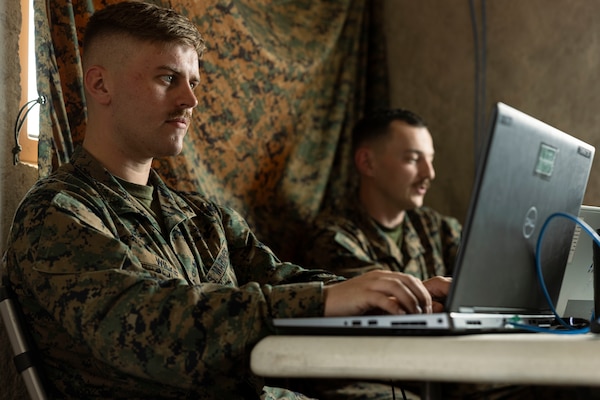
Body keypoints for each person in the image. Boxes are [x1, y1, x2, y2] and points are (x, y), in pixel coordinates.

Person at [0, 2, 450, 399]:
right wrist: (322, 302)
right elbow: (155, 326)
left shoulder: (203, 217)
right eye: (168, 78)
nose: (190, 99)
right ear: (100, 86)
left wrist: (394, 297)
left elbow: (281, 280)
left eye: (193, 81)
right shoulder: (58, 214)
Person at [304, 108, 462, 286]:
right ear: (367, 163)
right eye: (412, 159)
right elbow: (380, 298)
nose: (429, 173)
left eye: (430, 159)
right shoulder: (333, 238)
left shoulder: (435, 227)